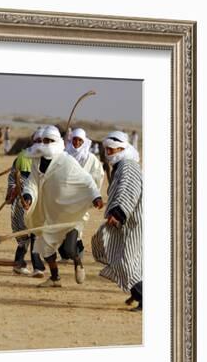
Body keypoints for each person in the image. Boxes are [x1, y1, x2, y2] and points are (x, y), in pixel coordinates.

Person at [18, 125, 104, 287]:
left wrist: (96, 196)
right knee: (46, 250)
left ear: (57, 141)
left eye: (50, 141)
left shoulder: (67, 161)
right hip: (48, 213)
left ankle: (78, 262)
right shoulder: (36, 162)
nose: (46, 143)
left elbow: (86, 180)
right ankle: (55, 278)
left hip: (67, 213)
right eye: (44, 140)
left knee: (70, 249)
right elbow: (31, 183)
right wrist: (28, 196)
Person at [92, 131, 142, 310]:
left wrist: (118, 213)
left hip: (131, 220)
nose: (109, 152)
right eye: (107, 150)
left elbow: (128, 191)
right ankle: (139, 295)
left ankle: (145, 297)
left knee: (126, 262)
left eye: (113, 149)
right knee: (120, 257)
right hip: (125, 220)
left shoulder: (127, 166)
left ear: (123, 148)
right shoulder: (120, 166)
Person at [59, 127, 105, 261]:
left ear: (84, 141)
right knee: (60, 227)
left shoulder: (91, 159)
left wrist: (93, 194)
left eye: (80, 140)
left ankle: (78, 254)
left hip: (81, 199)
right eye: (74, 139)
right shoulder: (64, 154)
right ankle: (65, 255)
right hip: (63, 198)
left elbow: (99, 176)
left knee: (77, 227)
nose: (77, 143)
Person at [6, 127, 45, 277]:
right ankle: (29, 266)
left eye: (43, 141)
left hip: (41, 202)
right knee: (26, 234)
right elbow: (13, 176)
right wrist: (14, 188)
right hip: (23, 202)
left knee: (37, 234)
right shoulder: (22, 157)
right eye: (37, 141)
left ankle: (26, 264)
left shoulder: (51, 159)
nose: (40, 144)